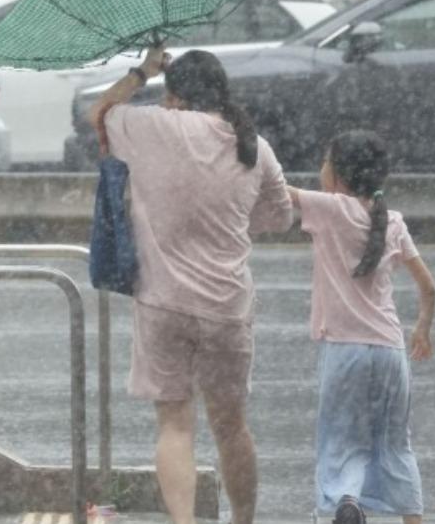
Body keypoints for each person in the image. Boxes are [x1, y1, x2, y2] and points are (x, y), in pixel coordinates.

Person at [90, 45, 293, 524]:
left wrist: (144, 70)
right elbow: (279, 217)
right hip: (226, 307)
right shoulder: (254, 146)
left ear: (176, 95)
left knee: (175, 426)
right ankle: (242, 520)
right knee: (231, 426)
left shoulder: (151, 128)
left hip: (162, 304)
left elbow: (98, 114)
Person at [286, 130, 435, 524]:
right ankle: (411, 519)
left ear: (338, 174)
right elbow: (429, 287)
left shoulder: (331, 208)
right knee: (395, 445)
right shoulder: (393, 221)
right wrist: (421, 329)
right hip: (390, 351)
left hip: (344, 350)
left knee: (340, 442)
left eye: (325, 161)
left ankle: (346, 503)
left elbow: (277, 191)